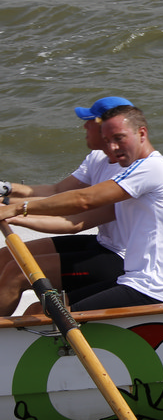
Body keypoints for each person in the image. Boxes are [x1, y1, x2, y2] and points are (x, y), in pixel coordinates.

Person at [0, 105, 163, 312]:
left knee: (37, 305)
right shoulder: (129, 178)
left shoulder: (154, 168)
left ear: (142, 133)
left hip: (153, 289)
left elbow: (83, 200)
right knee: (36, 309)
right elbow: (75, 218)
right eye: (107, 140)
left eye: (119, 138)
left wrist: (17, 209)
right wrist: (11, 211)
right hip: (134, 279)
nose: (112, 147)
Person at [0, 96, 134, 315]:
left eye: (89, 121)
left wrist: (14, 213)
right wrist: (6, 195)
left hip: (121, 259)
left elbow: (74, 221)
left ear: (107, 127)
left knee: (16, 272)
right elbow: (57, 192)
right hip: (103, 243)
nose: (84, 126)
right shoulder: (97, 158)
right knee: (5, 256)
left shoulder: (127, 172)